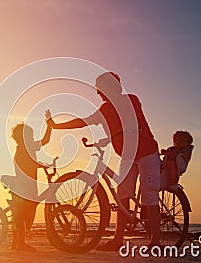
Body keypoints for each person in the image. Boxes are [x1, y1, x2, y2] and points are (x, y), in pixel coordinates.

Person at [46, 72, 161, 251]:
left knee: (149, 196)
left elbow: (128, 120)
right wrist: (56, 125)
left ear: (111, 87)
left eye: (100, 89)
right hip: (128, 157)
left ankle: (156, 241)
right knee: (122, 195)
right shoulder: (105, 110)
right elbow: (84, 122)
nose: (98, 93)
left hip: (147, 153)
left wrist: (112, 133)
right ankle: (117, 240)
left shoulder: (131, 100)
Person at [10, 116, 52, 252]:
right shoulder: (24, 150)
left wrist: (50, 125)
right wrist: (41, 164)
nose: (33, 138)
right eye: (30, 136)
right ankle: (20, 244)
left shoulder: (26, 148)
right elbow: (28, 164)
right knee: (23, 214)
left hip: (26, 184)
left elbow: (45, 141)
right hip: (25, 186)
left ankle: (16, 244)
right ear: (23, 138)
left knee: (22, 213)